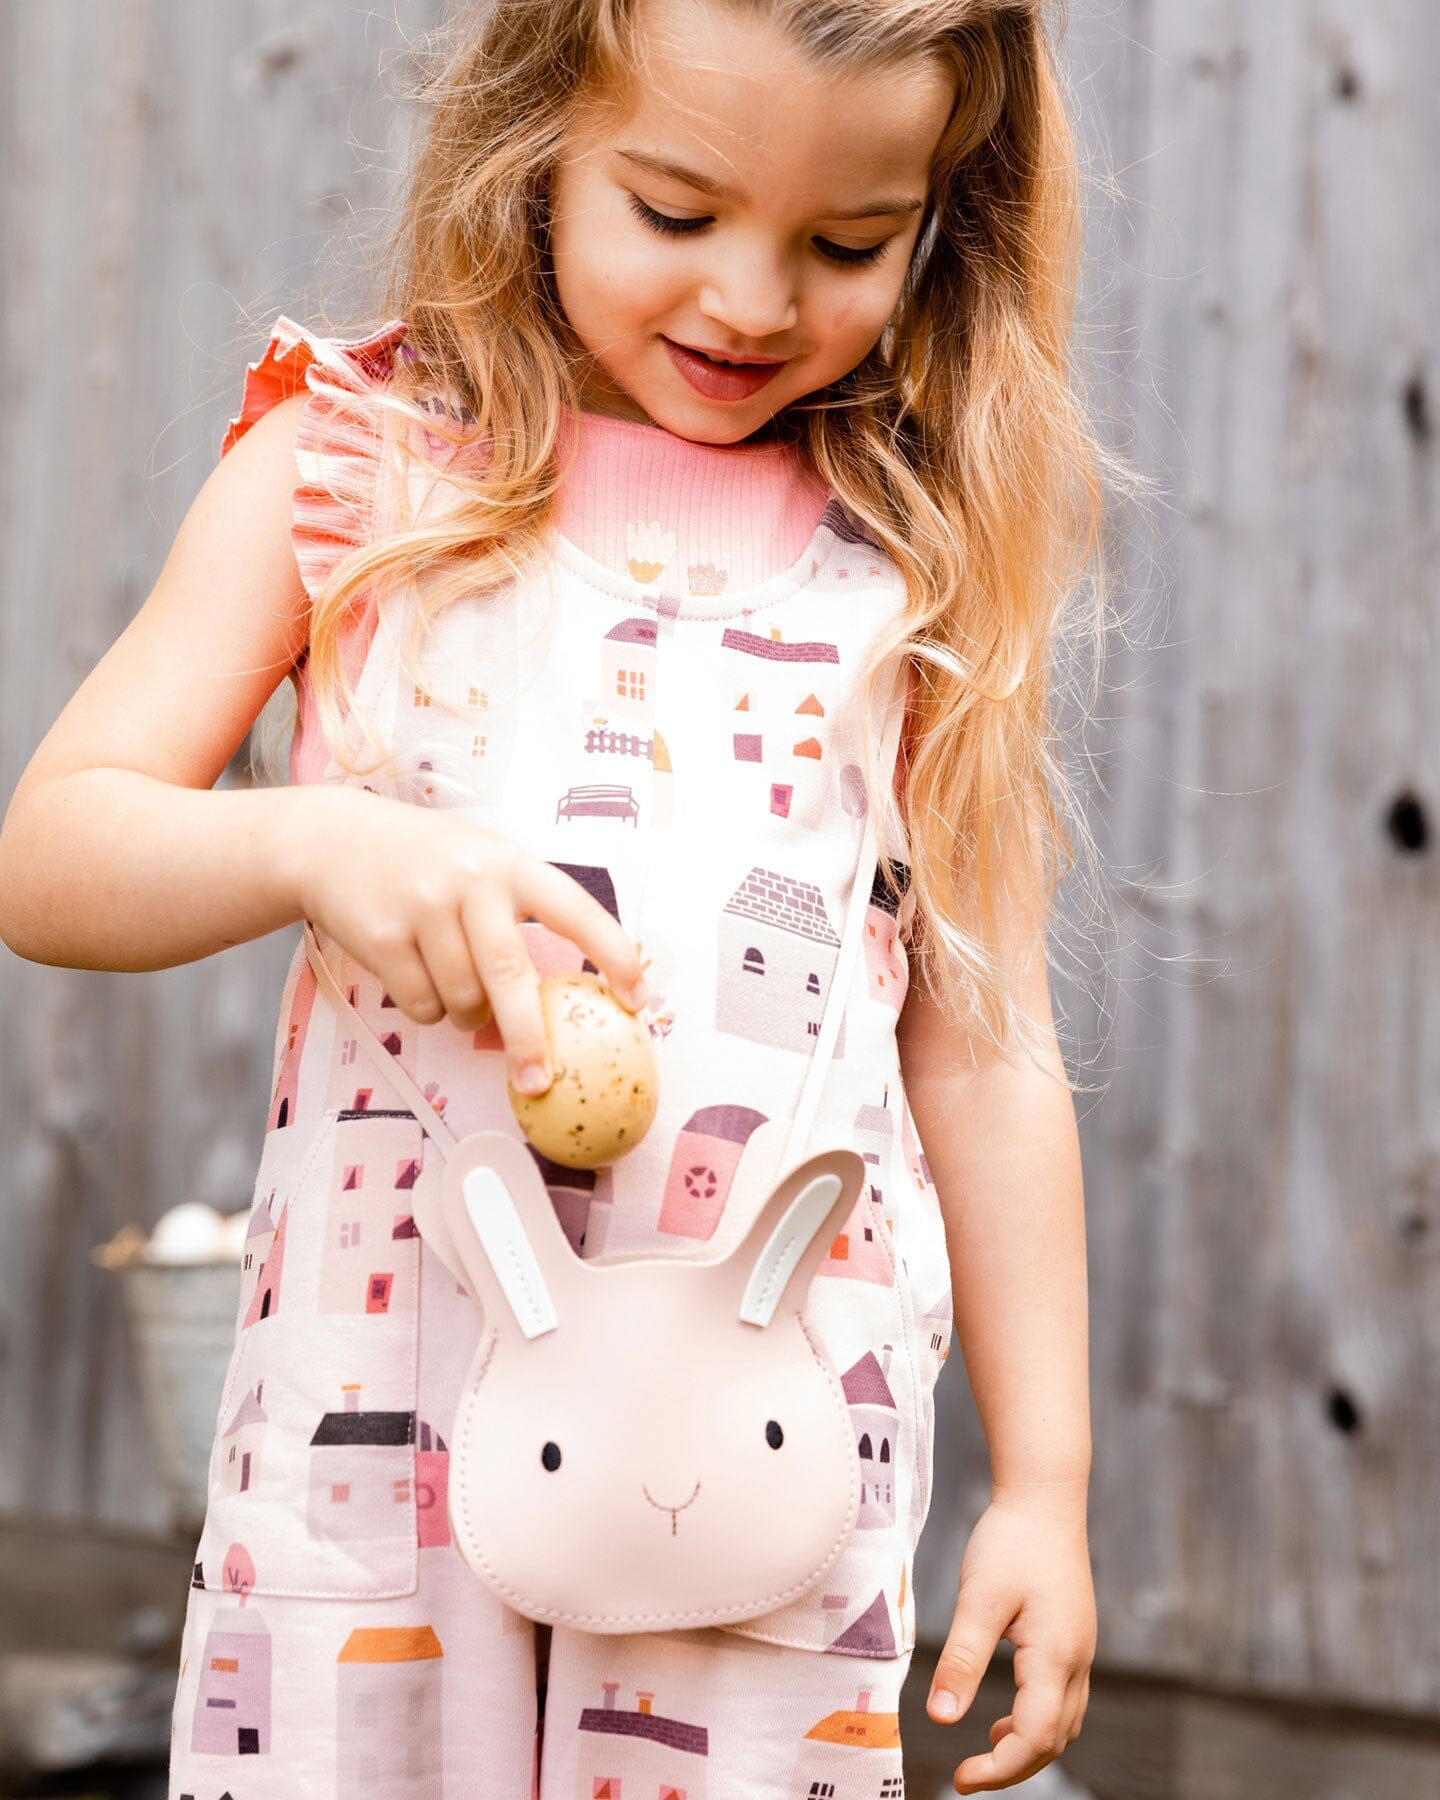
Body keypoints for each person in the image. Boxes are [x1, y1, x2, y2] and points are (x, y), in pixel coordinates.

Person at [0, 0, 1110, 1791]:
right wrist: (317, 844)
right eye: (674, 211)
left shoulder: (913, 575)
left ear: (938, 220)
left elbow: (988, 1051)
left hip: (749, 1476)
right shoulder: (350, 469)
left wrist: (1047, 1488)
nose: (751, 300)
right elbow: (53, 854)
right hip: (387, 1460)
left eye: (847, 243)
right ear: (537, 141)